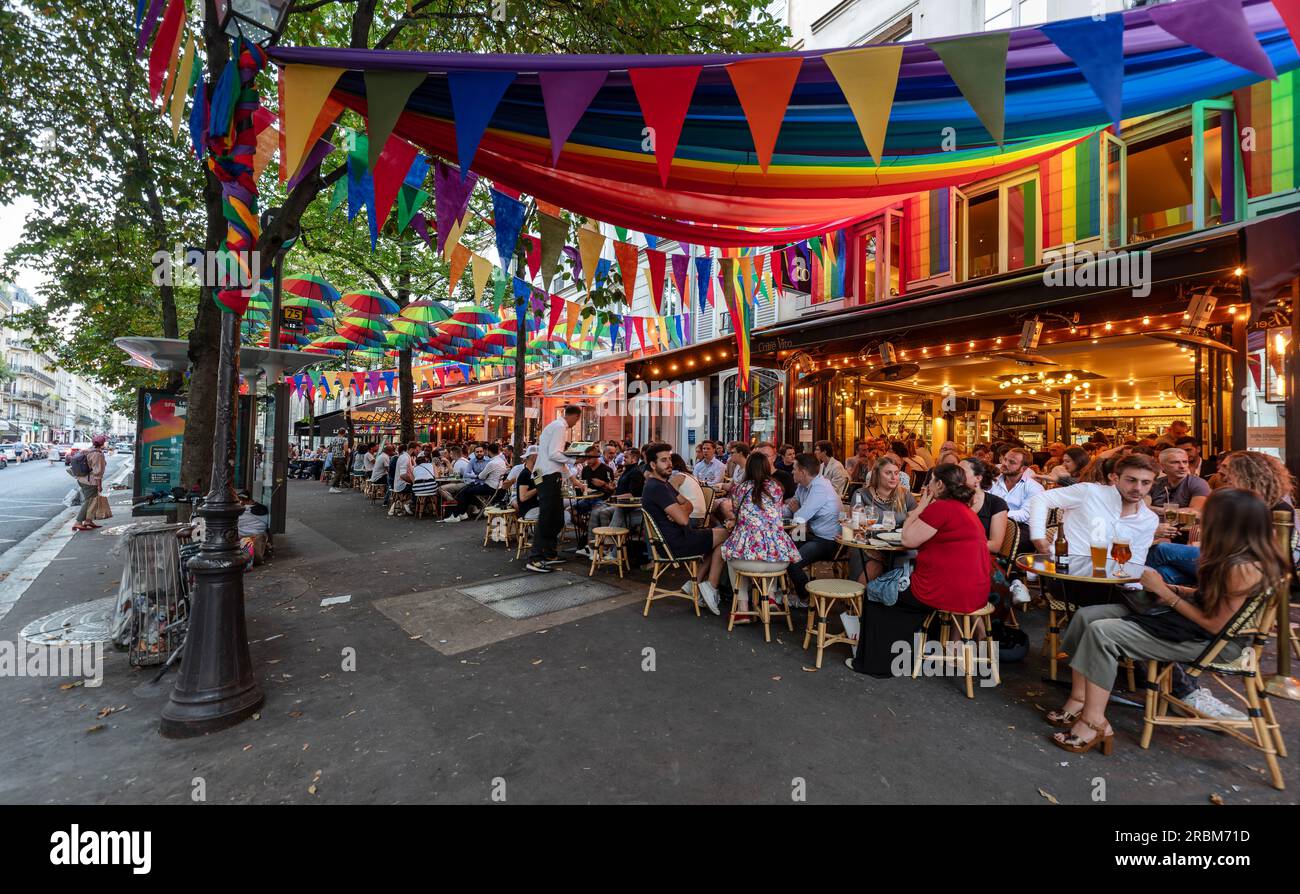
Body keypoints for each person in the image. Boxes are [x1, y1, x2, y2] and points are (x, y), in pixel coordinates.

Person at [1045, 488, 1289, 755]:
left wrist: (1164, 594)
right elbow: (1214, 600)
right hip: (1192, 625)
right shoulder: (1239, 555)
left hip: (1213, 642)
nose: (1200, 519)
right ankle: (1079, 698)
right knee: (1086, 616)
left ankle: (1094, 722)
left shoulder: (1240, 567)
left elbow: (1217, 626)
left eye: (1208, 515)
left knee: (1102, 633)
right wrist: (1175, 590)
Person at [850, 464, 992, 677]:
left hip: (945, 590)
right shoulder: (964, 509)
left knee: (875, 593)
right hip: (975, 590)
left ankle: (876, 664)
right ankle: (912, 649)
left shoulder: (942, 508)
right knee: (891, 588)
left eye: (931, 481)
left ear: (940, 485)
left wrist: (921, 506)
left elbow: (908, 539)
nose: (927, 485)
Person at [1026, 453, 1161, 605]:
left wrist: (1135, 594)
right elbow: (1040, 499)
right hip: (1067, 576)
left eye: (1146, 483)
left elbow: (1136, 561)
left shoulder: (1148, 519)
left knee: (1149, 599)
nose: (1138, 488)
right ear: (1115, 478)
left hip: (1110, 583)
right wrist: (1038, 536)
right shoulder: (1089, 492)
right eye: (1131, 480)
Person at [640, 442, 730, 613]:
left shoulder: (663, 485)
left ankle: (694, 582)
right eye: (664, 460)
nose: (669, 464)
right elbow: (682, 519)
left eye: (669, 460)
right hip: (675, 543)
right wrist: (681, 510)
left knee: (719, 538)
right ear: (653, 465)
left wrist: (679, 510)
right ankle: (710, 586)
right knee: (726, 534)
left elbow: (688, 505)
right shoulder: (656, 488)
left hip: (678, 537)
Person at [721, 451, 802, 618]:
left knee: (729, 555)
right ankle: (770, 597)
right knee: (767, 551)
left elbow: (736, 513)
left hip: (747, 562)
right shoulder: (777, 487)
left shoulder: (740, 489)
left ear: (748, 468)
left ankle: (743, 609)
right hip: (779, 562)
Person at [526, 405, 583, 573]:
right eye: (577, 419)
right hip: (548, 476)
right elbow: (554, 454)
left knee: (556, 517)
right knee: (547, 516)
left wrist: (574, 480)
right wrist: (575, 460)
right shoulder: (560, 427)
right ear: (575, 417)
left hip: (544, 474)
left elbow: (555, 459)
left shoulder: (553, 426)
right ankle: (535, 557)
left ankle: (549, 553)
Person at [784, 453, 844, 609]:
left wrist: (797, 511)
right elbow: (791, 511)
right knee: (782, 547)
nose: (792, 472)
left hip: (829, 541)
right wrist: (770, 513)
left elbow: (800, 517)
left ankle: (806, 599)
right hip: (812, 534)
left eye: (794, 469)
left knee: (793, 561)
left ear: (803, 472)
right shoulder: (803, 486)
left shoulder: (820, 488)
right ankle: (781, 590)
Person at [989, 447, 1045, 545]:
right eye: (1005, 459)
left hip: (1021, 527)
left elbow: (1024, 514)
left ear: (1024, 469)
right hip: (993, 522)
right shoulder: (993, 482)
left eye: (1012, 462)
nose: (1005, 464)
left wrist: (997, 515)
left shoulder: (1034, 487)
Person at [1149, 447, 1211, 513]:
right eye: (1175, 462)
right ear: (1162, 466)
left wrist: (1160, 510)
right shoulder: (1155, 483)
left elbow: (1195, 511)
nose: (1182, 466)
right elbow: (1141, 507)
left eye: (1185, 462)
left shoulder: (1198, 483)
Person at [71, 435, 108, 532]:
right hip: (90, 481)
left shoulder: (87, 450)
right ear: (103, 443)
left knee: (92, 501)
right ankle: (78, 522)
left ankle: (88, 521)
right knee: (89, 501)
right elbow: (97, 472)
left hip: (81, 479)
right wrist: (99, 485)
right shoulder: (97, 454)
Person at [669, 453, 707, 520]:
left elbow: (671, 498)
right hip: (701, 516)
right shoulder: (690, 475)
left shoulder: (677, 477)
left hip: (692, 516)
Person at [389, 442, 418, 516]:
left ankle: (411, 505)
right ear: (412, 449)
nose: (418, 452)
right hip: (402, 485)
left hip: (402, 483)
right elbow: (403, 475)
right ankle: (409, 504)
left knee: (419, 486)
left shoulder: (407, 457)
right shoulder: (404, 458)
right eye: (417, 450)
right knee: (419, 488)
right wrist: (413, 482)